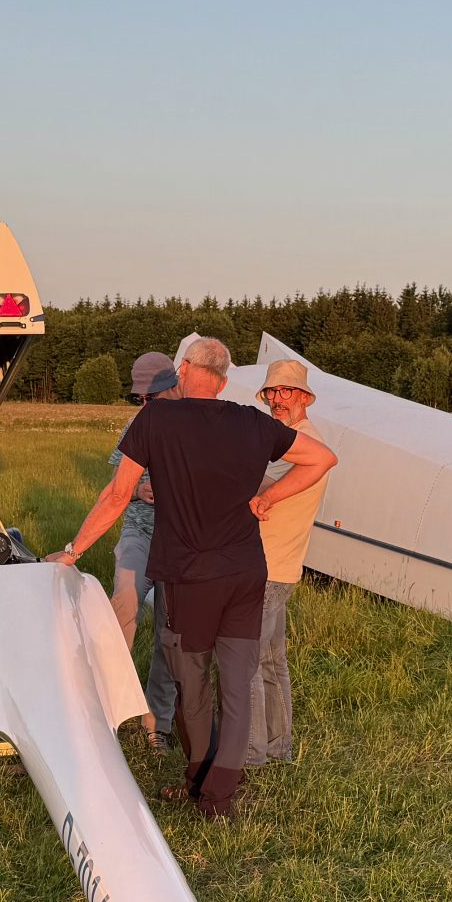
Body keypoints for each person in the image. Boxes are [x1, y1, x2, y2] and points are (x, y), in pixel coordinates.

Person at [51, 336, 336, 818]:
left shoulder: (156, 420)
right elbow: (323, 458)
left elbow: (117, 495)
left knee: (193, 684)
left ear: (183, 370)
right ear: (223, 382)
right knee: (237, 685)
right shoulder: (252, 422)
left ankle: (201, 781)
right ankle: (219, 795)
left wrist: (73, 551)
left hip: (189, 577)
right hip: (246, 574)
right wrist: (269, 498)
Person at [246, 357, 328, 767]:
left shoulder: (299, 443)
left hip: (268, 567)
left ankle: (251, 753)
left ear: (304, 398)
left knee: (244, 662)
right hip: (283, 567)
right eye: (272, 392)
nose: (278, 399)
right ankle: (279, 748)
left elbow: (257, 484)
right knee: (270, 661)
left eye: (287, 392)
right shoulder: (291, 439)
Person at [110, 352, 180, 748]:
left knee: (171, 630)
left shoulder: (192, 422)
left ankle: (158, 724)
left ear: (173, 387)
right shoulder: (136, 424)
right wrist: (139, 489)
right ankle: (111, 709)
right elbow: (116, 480)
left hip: (180, 540)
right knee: (124, 605)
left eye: (151, 397)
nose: (145, 404)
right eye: (140, 398)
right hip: (139, 531)